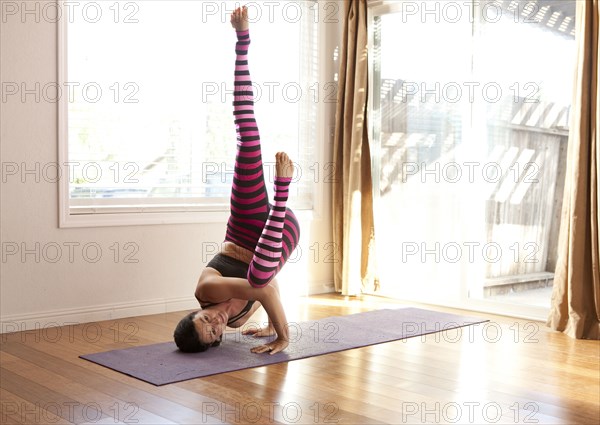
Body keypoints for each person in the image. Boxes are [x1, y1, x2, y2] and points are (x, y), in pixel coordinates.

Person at [173, 6, 300, 355]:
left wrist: (282, 335)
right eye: (214, 335)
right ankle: (283, 191)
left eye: (203, 323)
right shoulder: (237, 321)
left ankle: (242, 39)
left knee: (247, 137)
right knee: (259, 277)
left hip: (245, 228)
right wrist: (271, 324)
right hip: (283, 227)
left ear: (195, 312)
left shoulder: (207, 288)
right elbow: (267, 286)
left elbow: (264, 290)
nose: (215, 326)